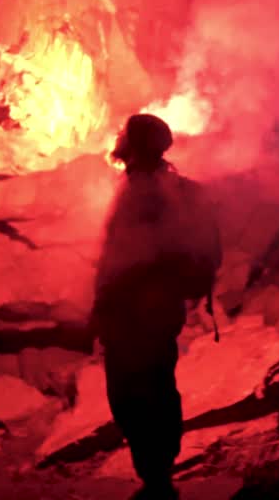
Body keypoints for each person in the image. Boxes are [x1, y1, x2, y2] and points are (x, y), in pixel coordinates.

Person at [90, 114, 222, 499]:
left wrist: (105, 304)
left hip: (137, 312)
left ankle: (156, 478)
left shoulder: (145, 191)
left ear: (135, 144)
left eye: (123, 132)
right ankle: (158, 474)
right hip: (155, 309)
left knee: (134, 392)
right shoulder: (161, 186)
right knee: (157, 387)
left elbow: (130, 256)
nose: (117, 136)